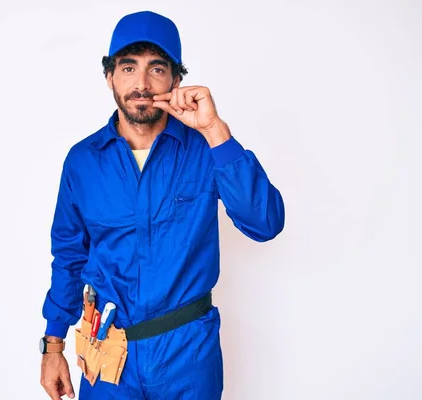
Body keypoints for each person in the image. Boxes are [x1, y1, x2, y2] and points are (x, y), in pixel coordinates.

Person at [39, 10, 285, 400]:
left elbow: (265, 222)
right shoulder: (82, 162)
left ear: (176, 80)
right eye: (128, 67)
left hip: (188, 354)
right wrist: (52, 346)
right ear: (109, 77)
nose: (141, 83)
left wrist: (215, 131)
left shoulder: (207, 148)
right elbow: (68, 256)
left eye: (156, 68)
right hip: (108, 356)